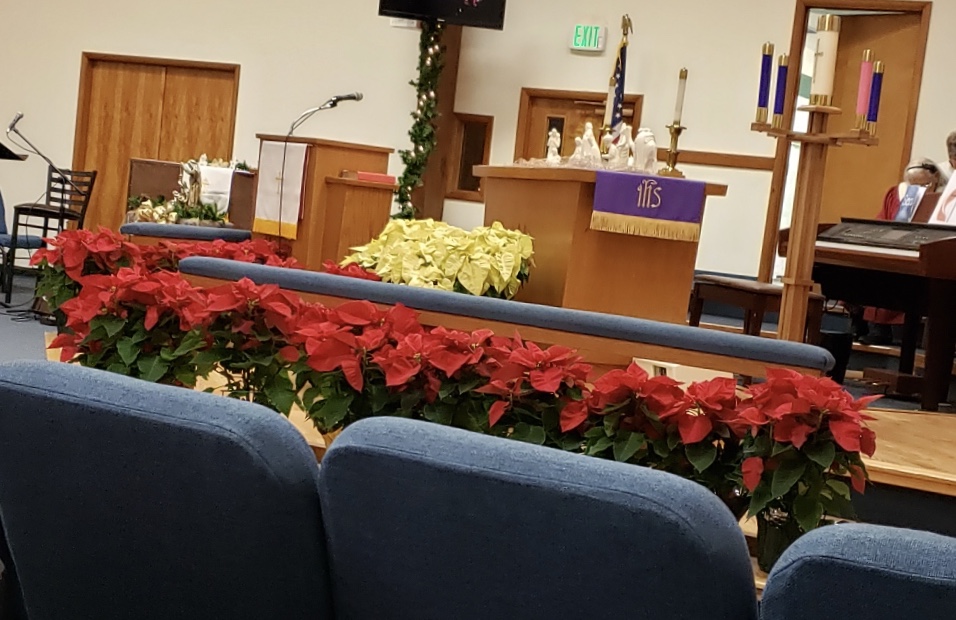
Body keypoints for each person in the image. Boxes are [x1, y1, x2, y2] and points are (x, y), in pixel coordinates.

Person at [853, 158, 941, 344]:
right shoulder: (895, 195)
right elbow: (880, 223)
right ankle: (869, 325)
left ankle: (890, 330)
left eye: (924, 185)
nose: (918, 190)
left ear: (936, 180)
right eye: (913, 185)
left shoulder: (943, 200)